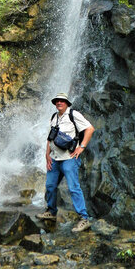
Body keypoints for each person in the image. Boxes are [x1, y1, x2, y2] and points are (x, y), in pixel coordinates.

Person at [36, 92, 95, 232]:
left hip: (69, 159)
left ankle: (84, 218)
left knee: (74, 188)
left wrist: (82, 147)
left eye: (62, 101)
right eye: (57, 101)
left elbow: (90, 129)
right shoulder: (54, 117)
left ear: (67, 103)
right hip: (54, 158)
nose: (59, 103)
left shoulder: (73, 115)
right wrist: (47, 154)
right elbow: (50, 138)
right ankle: (51, 212)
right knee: (50, 185)